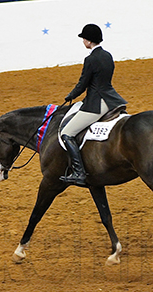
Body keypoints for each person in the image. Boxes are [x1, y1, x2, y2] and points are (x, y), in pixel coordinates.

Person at [60, 23, 127, 186]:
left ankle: (79, 173)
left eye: (84, 38)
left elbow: (83, 83)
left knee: (67, 133)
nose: (83, 41)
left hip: (96, 103)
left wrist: (70, 96)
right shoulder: (107, 55)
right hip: (112, 100)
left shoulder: (90, 59)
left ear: (89, 41)